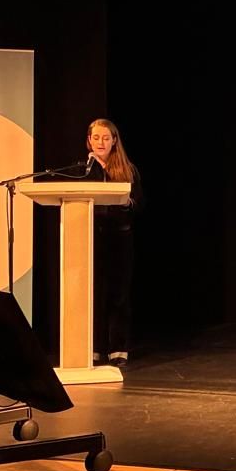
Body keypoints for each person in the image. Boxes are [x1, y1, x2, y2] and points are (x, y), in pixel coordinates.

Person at [86, 118, 142, 367]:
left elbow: (139, 202)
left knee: (119, 294)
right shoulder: (83, 170)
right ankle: (95, 348)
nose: (101, 142)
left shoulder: (128, 169)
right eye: (96, 137)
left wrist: (126, 203)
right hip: (93, 237)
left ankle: (118, 348)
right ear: (89, 141)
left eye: (106, 138)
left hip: (120, 238)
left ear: (114, 141)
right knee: (94, 294)